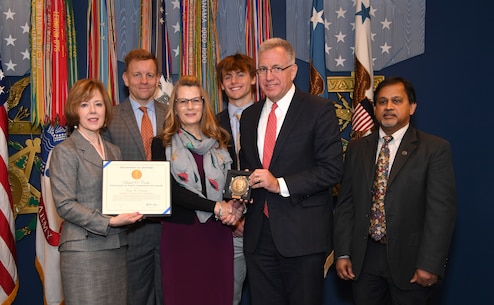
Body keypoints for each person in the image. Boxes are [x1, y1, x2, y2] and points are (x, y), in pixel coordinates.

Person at [333, 76, 457, 305]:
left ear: (412, 107)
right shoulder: (357, 148)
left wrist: (430, 263)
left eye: (396, 101)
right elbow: (346, 204)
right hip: (364, 260)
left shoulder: (434, 149)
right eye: (382, 102)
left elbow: (441, 213)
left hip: (411, 263)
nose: (388, 107)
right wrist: (342, 252)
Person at [239, 37, 344, 305]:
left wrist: (280, 184)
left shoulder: (319, 110)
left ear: (293, 71)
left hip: (302, 237)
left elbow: (332, 170)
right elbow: (246, 168)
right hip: (257, 238)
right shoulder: (249, 116)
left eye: (277, 68)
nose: (269, 76)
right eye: (262, 69)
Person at [50, 79, 144, 305]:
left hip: (117, 248)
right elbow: (65, 205)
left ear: (106, 109)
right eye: (84, 105)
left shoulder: (114, 150)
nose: (92, 111)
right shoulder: (65, 150)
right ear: (74, 110)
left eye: (98, 104)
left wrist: (137, 209)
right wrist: (109, 222)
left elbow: (120, 196)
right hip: (83, 251)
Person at [151, 75, 243, 305]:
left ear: (204, 103)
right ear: (175, 107)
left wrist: (236, 207)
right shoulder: (161, 143)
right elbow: (169, 190)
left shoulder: (222, 141)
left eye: (195, 100)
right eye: (183, 101)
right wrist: (215, 207)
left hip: (218, 235)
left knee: (218, 297)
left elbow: (234, 185)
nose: (190, 107)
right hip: (180, 237)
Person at [102, 48, 166, 305]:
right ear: (126, 78)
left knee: (169, 293)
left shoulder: (173, 114)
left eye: (149, 75)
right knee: (134, 296)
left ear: (157, 78)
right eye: (137, 74)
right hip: (130, 228)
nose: (143, 80)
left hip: (169, 226)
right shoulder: (108, 117)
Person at [216, 53, 256, 305]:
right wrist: (233, 219)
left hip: (269, 225)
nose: (234, 81)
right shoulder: (210, 124)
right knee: (227, 296)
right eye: (227, 76)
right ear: (221, 84)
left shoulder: (271, 119)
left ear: (254, 79)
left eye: (240, 74)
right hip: (228, 228)